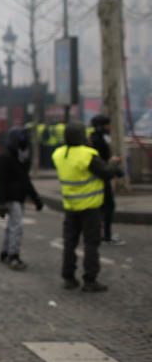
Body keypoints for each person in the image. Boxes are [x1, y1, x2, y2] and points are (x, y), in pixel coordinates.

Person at [52, 121, 123, 292]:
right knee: (91, 243)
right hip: (90, 207)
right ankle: (90, 280)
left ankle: (68, 277)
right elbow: (106, 172)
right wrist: (113, 162)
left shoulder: (59, 154)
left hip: (70, 206)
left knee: (70, 243)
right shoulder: (87, 155)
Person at [0, 127, 44, 270]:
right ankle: (13, 255)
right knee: (16, 226)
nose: (24, 141)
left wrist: (36, 199)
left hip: (18, 197)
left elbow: (25, 180)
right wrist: (1, 202)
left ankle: (6, 252)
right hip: (11, 197)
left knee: (12, 226)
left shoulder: (21, 157)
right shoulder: (7, 157)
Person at [89, 114, 124, 245]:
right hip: (101, 178)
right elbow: (101, 162)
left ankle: (101, 233)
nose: (109, 127)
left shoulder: (98, 138)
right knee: (108, 206)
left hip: (102, 177)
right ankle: (106, 235)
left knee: (103, 207)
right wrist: (113, 166)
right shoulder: (97, 140)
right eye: (107, 124)